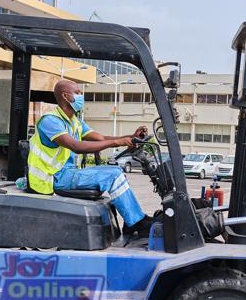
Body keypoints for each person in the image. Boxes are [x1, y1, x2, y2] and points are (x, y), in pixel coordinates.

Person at [27, 79, 153, 236]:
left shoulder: (75, 122)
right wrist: (117, 142)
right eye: (78, 93)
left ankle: (133, 221)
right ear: (66, 96)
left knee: (115, 171)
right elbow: (75, 146)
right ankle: (135, 223)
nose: (81, 96)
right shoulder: (51, 121)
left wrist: (131, 137)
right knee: (114, 174)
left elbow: (101, 138)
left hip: (67, 172)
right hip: (53, 177)